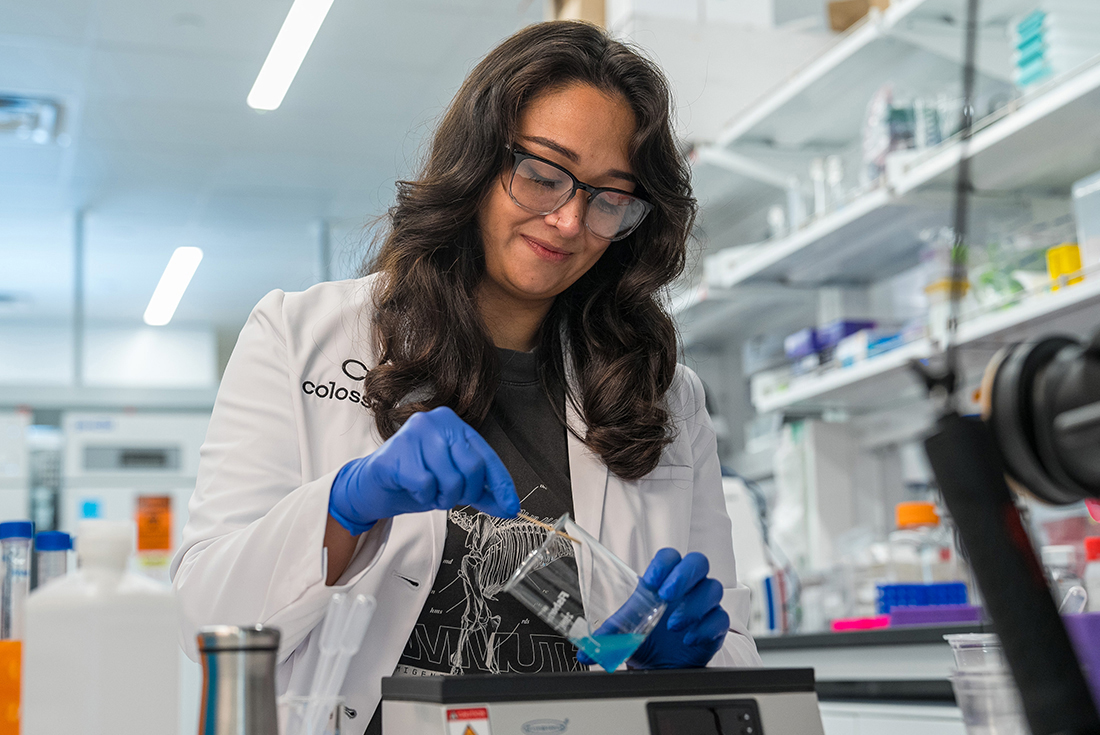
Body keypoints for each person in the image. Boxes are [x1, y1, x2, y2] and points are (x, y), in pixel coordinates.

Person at [172, 19, 761, 733]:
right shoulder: (299, 336)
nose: (570, 220)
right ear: (478, 162)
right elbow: (208, 617)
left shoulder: (662, 393)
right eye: (543, 174)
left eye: (609, 199)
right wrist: (346, 504)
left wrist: (679, 663)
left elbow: (733, 668)